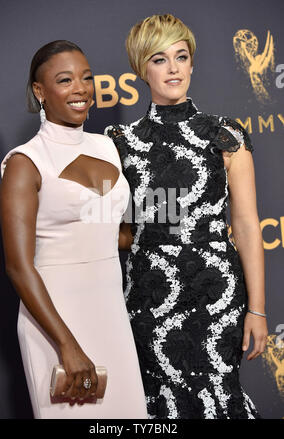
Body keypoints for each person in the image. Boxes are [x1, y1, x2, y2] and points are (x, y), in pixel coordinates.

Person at [105, 14, 268, 419]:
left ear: (193, 62)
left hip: (215, 294)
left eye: (181, 56)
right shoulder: (118, 143)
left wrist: (258, 310)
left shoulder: (224, 135)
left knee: (217, 397)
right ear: (141, 69)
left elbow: (247, 226)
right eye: (159, 59)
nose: (174, 68)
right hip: (149, 295)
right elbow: (116, 229)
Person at [0, 40, 147, 419]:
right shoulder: (26, 161)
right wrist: (67, 345)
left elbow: (110, 233)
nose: (80, 88)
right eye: (65, 80)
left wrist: (192, 223)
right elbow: (18, 266)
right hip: (56, 324)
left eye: (86, 78)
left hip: (112, 315)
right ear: (40, 92)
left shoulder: (106, 147)